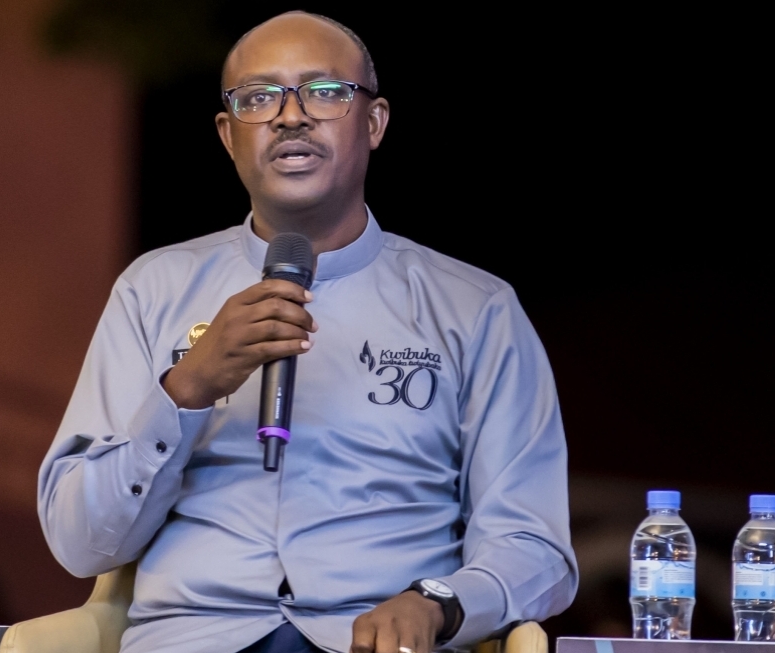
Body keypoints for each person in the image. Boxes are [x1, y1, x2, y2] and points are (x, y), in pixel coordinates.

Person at [38, 11, 577, 653]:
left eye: (323, 92)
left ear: (374, 123)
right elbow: (79, 544)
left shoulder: (476, 309)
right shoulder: (152, 290)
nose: (290, 116)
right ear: (228, 135)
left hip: (378, 642)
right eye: (259, 98)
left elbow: (535, 545)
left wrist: (440, 602)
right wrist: (185, 390)